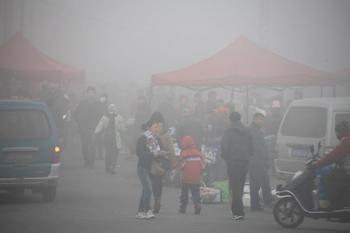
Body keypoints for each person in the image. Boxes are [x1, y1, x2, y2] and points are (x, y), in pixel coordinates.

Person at [220, 112, 253, 220]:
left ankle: (238, 211)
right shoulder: (248, 130)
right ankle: (235, 209)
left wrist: (227, 158)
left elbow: (224, 147)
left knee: (235, 187)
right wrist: (247, 156)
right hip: (245, 161)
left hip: (233, 161)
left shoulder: (228, 131)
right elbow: (252, 146)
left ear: (230, 120)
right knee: (240, 185)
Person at [315, 121, 350, 209]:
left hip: (346, 171)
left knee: (322, 173)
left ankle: (324, 202)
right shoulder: (346, 140)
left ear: (340, 132)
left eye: (337, 132)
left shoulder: (346, 141)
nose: (336, 134)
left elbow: (333, 155)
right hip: (345, 170)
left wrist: (319, 163)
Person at [135, 117, 162, 220]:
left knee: (145, 190)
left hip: (152, 167)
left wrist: (162, 154)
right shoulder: (143, 138)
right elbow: (139, 153)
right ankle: (148, 210)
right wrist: (153, 154)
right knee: (148, 189)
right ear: (149, 127)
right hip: (142, 167)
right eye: (155, 126)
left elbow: (159, 151)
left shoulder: (156, 138)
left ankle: (140, 212)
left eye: (158, 127)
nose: (157, 128)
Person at [249, 113, 273, 211]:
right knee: (259, 182)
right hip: (256, 160)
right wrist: (265, 159)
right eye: (259, 120)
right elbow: (258, 147)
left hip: (257, 160)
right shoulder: (253, 131)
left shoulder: (256, 130)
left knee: (260, 182)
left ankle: (261, 202)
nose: (261, 122)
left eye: (262, 120)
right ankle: (261, 203)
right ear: (255, 119)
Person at [74, 87, 102, 168]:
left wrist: (99, 126)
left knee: (93, 144)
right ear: (87, 94)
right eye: (89, 92)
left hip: (94, 128)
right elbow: (75, 114)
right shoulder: (82, 103)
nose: (91, 94)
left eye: (92, 92)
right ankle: (86, 160)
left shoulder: (98, 104)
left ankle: (91, 162)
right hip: (84, 128)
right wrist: (79, 122)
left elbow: (101, 116)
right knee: (85, 145)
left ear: (94, 93)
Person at [94, 104, 125, 174]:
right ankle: (109, 166)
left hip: (115, 137)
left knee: (114, 152)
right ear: (108, 109)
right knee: (110, 152)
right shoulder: (105, 117)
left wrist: (95, 132)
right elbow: (100, 125)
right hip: (108, 138)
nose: (112, 109)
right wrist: (95, 132)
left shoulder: (119, 117)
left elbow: (122, 128)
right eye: (111, 108)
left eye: (113, 108)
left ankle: (112, 167)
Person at [178, 136, 204, 215]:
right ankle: (197, 204)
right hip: (196, 177)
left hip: (186, 177)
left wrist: (178, 167)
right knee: (195, 192)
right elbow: (202, 165)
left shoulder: (184, 153)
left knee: (184, 193)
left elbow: (182, 165)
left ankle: (183, 208)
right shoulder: (198, 153)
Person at [96, 93, 109, 160]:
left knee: (106, 140)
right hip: (99, 124)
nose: (102, 98)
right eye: (101, 97)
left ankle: (107, 153)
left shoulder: (108, 106)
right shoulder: (97, 105)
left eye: (103, 97)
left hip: (107, 125)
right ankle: (100, 154)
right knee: (99, 140)